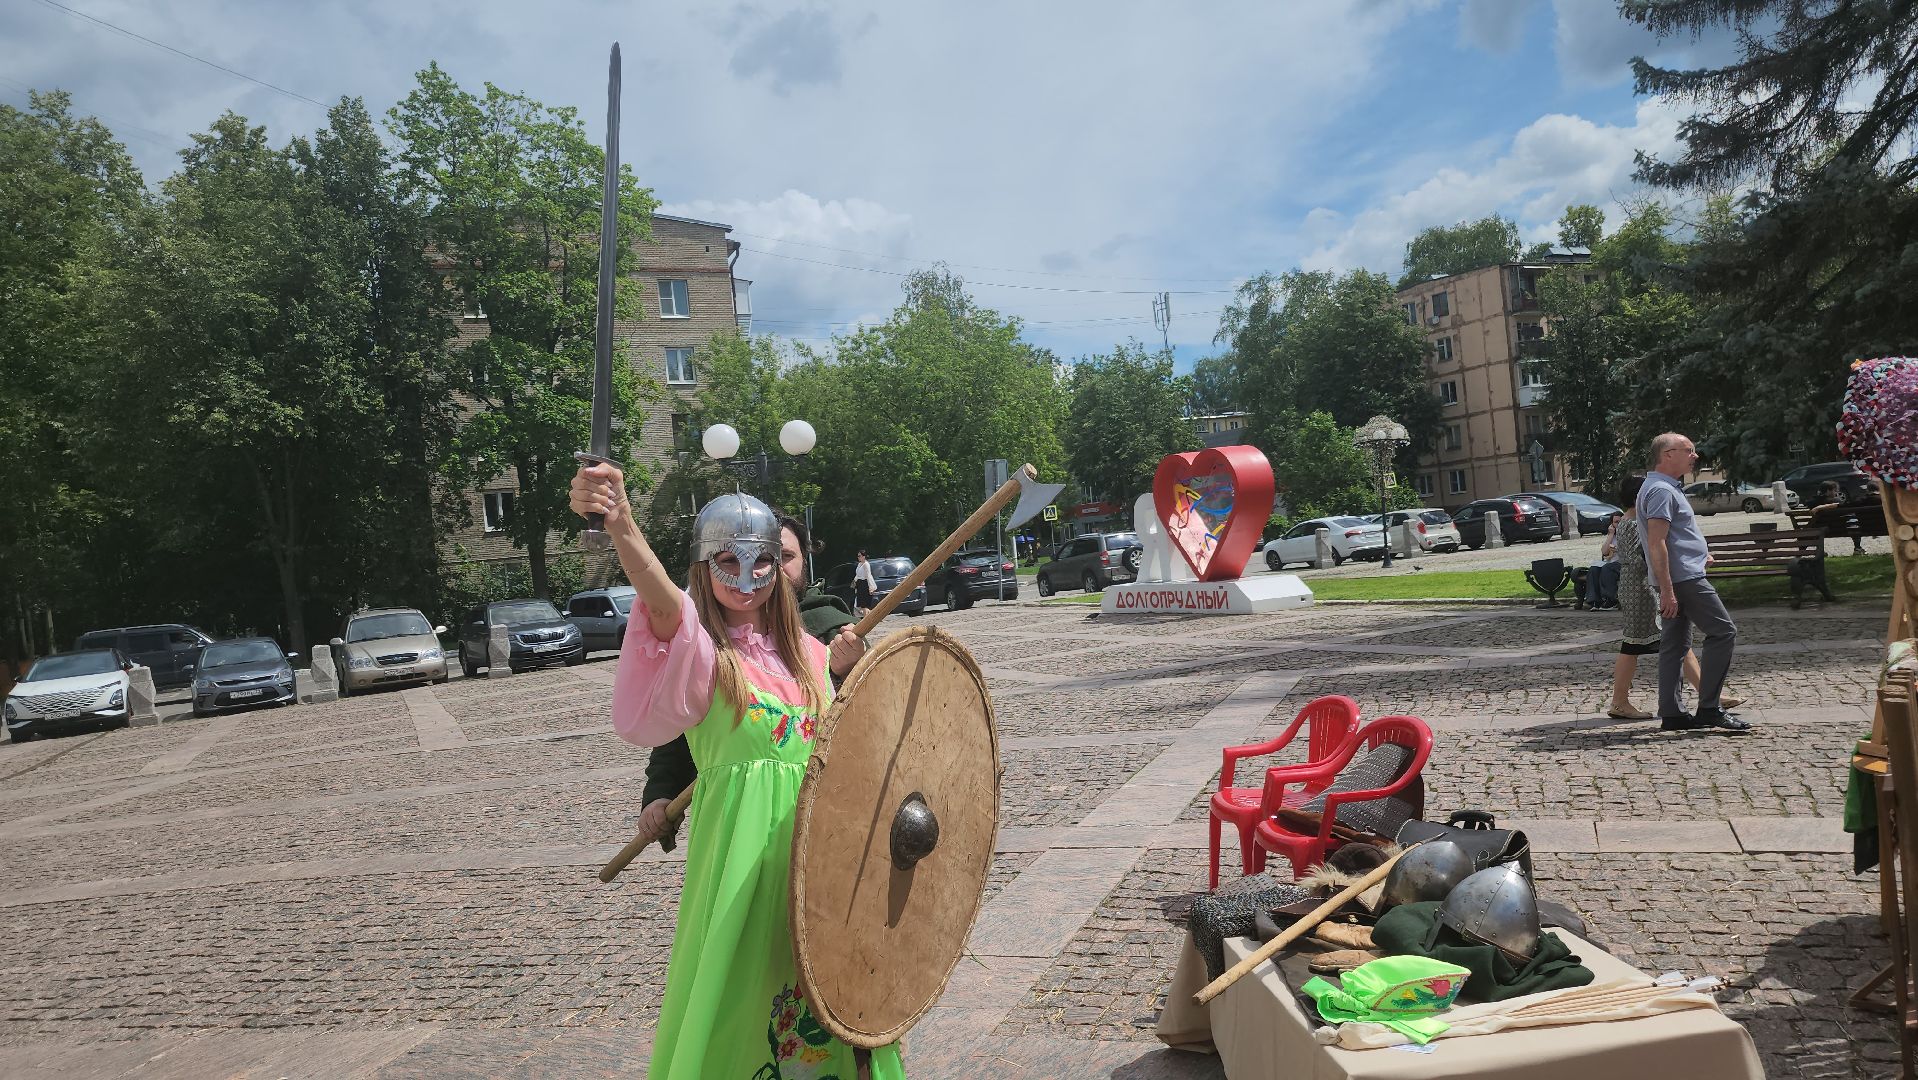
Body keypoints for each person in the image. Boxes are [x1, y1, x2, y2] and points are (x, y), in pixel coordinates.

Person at [570, 464, 902, 1078]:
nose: (745, 578)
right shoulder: (698, 651)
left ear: (780, 566)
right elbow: (658, 596)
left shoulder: (811, 656)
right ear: (704, 566)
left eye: (761, 562)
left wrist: (849, 676)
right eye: (727, 561)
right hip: (741, 871)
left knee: (833, 1009)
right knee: (742, 1009)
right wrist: (622, 525)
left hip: (819, 867)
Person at [635, 512, 857, 847]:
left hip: (821, 823)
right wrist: (660, 792)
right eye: (743, 557)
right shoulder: (707, 643)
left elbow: (864, 729)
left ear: (804, 561)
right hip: (743, 827)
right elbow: (681, 730)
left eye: (783, 557)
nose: (765, 570)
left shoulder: (831, 629)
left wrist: (847, 672)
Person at [1605, 474, 1744, 720]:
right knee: (1634, 645)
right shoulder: (1637, 522)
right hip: (1643, 589)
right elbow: (1648, 556)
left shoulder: (1627, 521)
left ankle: (1707, 693)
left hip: (1636, 586)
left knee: (1676, 641)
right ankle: (1619, 701)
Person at [1638, 434, 1750, 734]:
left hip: (1681, 575)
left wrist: (1699, 554)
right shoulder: (1661, 490)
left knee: (1674, 645)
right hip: (1684, 580)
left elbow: (1671, 540)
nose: (1695, 456)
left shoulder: (1659, 487)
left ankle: (1672, 713)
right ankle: (1710, 708)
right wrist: (1668, 590)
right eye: (1690, 451)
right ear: (1669, 454)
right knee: (1723, 632)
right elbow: (1656, 542)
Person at [853, 549, 877, 615]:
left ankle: (866, 619)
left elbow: (868, 575)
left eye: (859, 556)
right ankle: (871, 617)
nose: (858, 557)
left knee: (864, 605)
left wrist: (871, 587)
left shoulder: (866, 564)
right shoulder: (860, 564)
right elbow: (857, 575)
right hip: (859, 584)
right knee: (861, 605)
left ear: (864, 556)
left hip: (864, 584)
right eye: (858, 556)